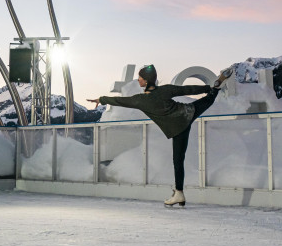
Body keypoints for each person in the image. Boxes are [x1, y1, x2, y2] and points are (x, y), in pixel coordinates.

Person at [88, 64, 233, 207]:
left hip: (178, 128)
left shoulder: (140, 100)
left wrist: (101, 99)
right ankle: (216, 87)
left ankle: (179, 193)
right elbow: (186, 89)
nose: (138, 80)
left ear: (145, 81)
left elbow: (119, 101)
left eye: (140, 78)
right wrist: (208, 88)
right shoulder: (165, 90)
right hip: (189, 112)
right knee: (208, 99)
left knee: (178, 161)